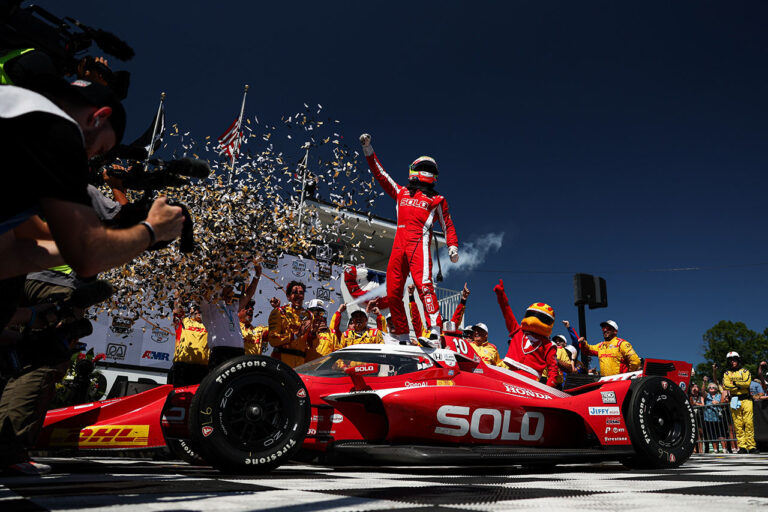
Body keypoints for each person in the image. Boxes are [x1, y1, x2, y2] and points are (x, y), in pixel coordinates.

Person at [0, 81, 184, 328]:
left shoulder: (20, 110)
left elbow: (17, 251)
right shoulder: (50, 144)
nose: (90, 158)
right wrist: (151, 230)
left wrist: (31, 316)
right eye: (100, 148)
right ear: (98, 117)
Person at [359, 133, 459, 343]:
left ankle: (434, 329)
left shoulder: (437, 199)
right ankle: (401, 334)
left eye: (431, 170)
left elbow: (447, 224)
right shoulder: (402, 192)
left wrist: (453, 246)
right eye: (426, 168)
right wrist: (368, 150)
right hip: (399, 245)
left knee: (424, 285)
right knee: (393, 291)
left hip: (419, 245)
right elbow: (381, 175)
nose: (427, 173)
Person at [493, 279, 559, 387]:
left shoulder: (549, 345)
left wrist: (550, 385)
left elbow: (553, 368)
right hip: (510, 375)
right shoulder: (517, 331)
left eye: (542, 317)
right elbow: (507, 312)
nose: (534, 319)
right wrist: (501, 296)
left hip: (532, 381)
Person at [201, 261, 261, 369]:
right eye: (228, 287)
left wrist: (257, 275)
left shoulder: (232, 308)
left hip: (238, 354)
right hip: (220, 354)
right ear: (220, 288)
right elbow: (204, 291)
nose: (232, 291)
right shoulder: (209, 307)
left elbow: (248, 296)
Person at [268, 281, 313, 368]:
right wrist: (295, 335)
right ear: (288, 297)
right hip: (281, 362)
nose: (298, 295)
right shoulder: (279, 312)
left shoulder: (309, 315)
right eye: (294, 292)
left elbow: (310, 344)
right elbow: (272, 339)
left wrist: (313, 333)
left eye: (301, 293)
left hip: (300, 363)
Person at [722, 351, 758, 454]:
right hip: (734, 400)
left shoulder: (745, 371)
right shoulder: (726, 373)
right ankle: (742, 446)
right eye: (730, 360)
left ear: (738, 360)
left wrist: (735, 384)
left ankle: (751, 446)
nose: (732, 361)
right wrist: (739, 385)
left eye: (734, 359)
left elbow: (747, 383)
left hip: (746, 399)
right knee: (738, 424)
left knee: (748, 423)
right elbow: (726, 386)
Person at [169, 303, 209, 387]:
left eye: (201, 309)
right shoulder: (183, 321)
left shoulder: (209, 325)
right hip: (182, 367)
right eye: (196, 308)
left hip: (202, 368)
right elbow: (176, 308)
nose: (199, 311)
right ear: (191, 310)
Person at [703, 383, 728, 454]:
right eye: (710, 387)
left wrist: (718, 402)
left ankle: (724, 449)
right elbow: (702, 391)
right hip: (709, 419)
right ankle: (715, 450)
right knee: (712, 435)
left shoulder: (719, 395)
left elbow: (723, 403)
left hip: (718, 418)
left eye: (713, 387)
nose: (711, 388)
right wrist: (704, 383)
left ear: (716, 389)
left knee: (721, 434)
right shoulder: (707, 395)